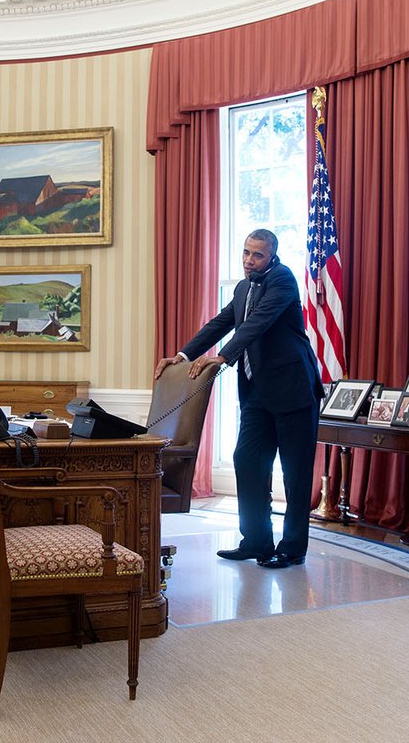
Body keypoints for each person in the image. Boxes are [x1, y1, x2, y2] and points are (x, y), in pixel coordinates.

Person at [154, 229, 324, 568]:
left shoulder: (283, 280)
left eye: (257, 255)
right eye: (246, 253)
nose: (249, 260)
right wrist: (184, 355)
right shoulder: (244, 286)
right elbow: (222, 322)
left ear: (272, 255)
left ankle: (292, 548)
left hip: (294, 391)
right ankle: (257, 541)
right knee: (247, 460)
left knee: (295, 472)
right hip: (258, 391)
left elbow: (257, 324)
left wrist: (223, 356)